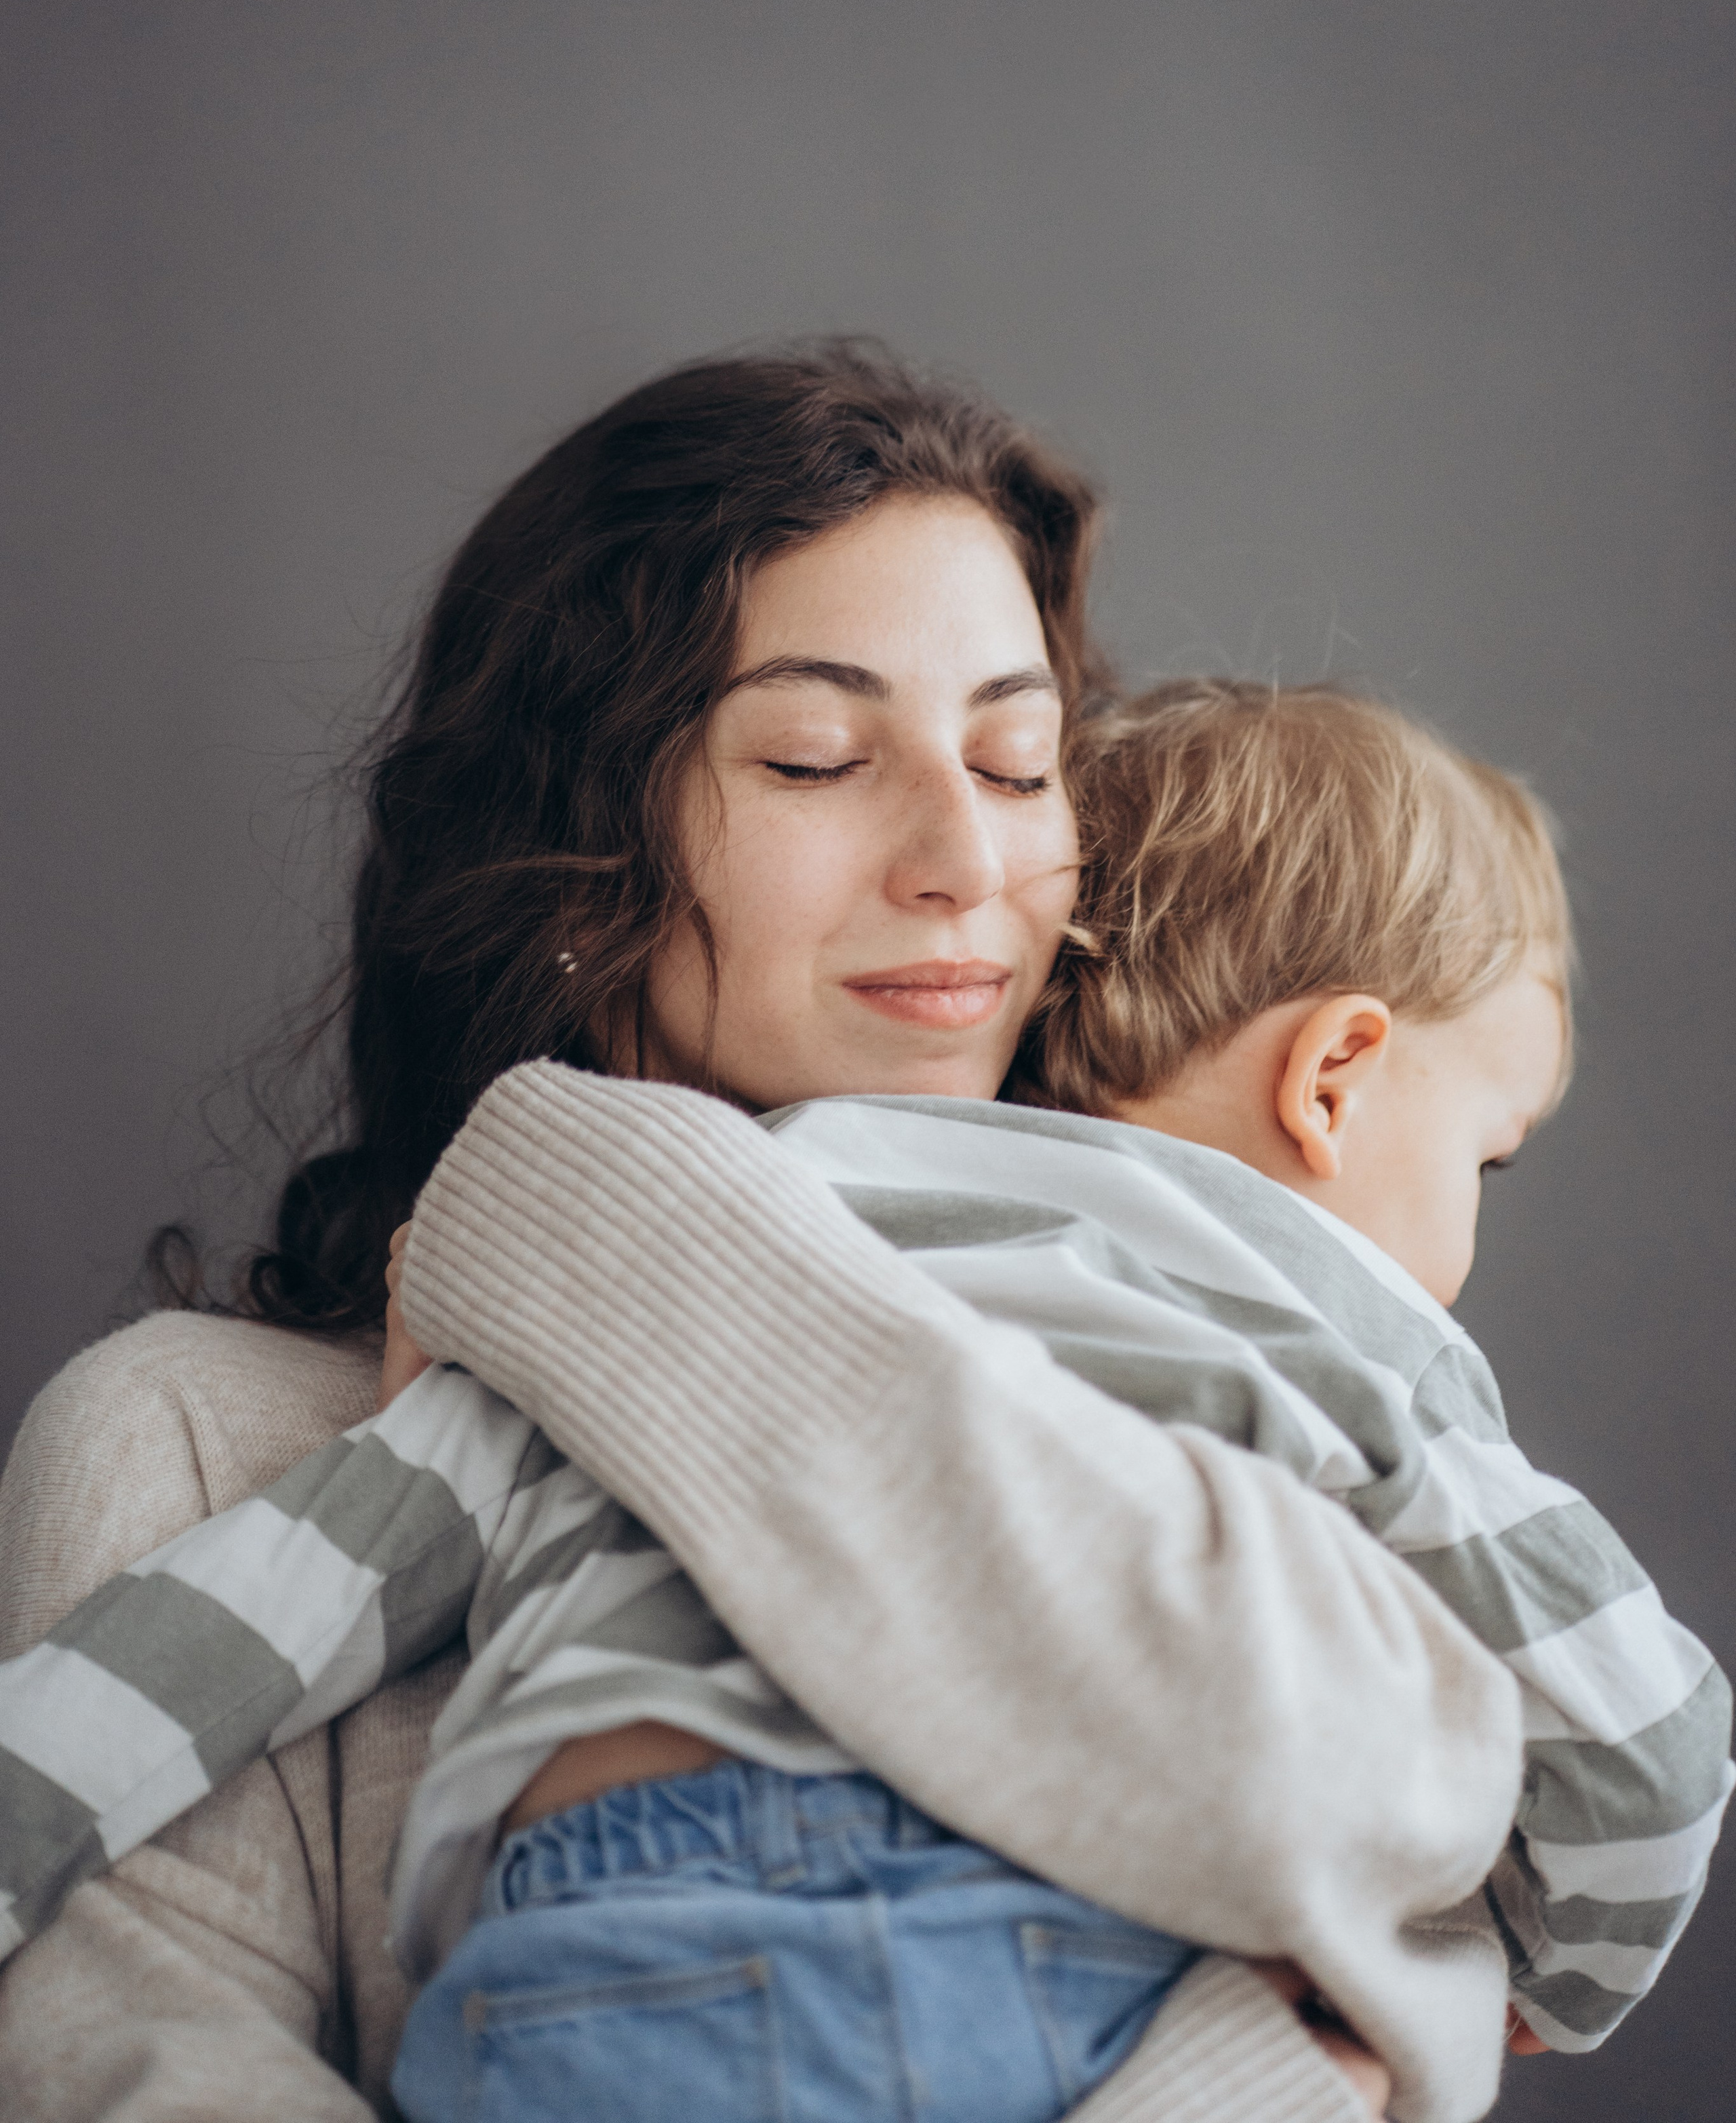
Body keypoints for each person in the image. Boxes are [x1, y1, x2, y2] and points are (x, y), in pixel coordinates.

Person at [0, 345, 1520, 2123]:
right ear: (570, 854)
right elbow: (138, 2069)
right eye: (814, 759)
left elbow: (1421, 1890)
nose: (964, 857)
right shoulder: (189, 1436)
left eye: (1022, 763)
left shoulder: (1215, 1361)